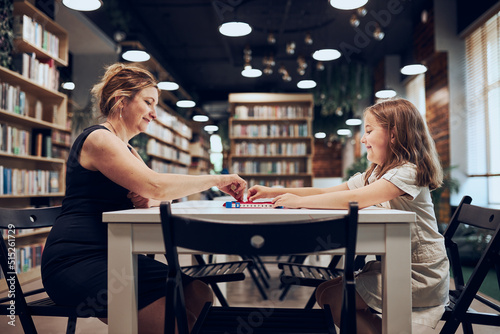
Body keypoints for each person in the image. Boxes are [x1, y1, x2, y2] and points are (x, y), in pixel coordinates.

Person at [41, 63, 246, 333]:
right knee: (175, 323)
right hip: (76, 260)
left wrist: (150, 199)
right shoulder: (99, 139)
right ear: (121, 101)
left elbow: (154, 193)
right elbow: (156, 186)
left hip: (114, 254)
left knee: (199, 293)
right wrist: (218, 179)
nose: (154, 114)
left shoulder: (128, 149)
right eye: (149, 102)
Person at [248, 98, 449, 333]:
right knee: (324, 292)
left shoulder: (407, 172)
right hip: (396, 265)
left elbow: (355, 200)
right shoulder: (376, 172)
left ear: (393, 134)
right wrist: (274, 191)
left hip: (419, 275)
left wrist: (300, 202)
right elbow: (325, 192)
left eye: (369, 131)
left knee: (334, 298)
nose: (363, 139)